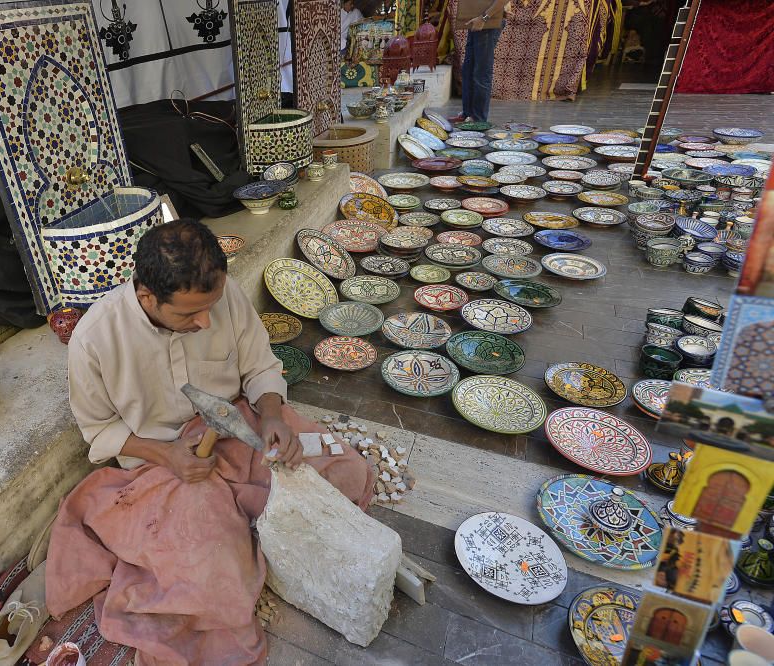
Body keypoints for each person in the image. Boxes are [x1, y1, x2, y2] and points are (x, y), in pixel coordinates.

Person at [45, 219, 374, 665]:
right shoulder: (94, 339)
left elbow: (259, 366)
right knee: (214, 576)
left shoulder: (224, 295)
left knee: (348, 471)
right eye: (188, 314)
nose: (205, 321)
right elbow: (99, 430)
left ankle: (252, 531)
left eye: (210, 307)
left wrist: (273, 414)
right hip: (162, 464)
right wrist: (167, 455)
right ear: (146, 296)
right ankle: (242, 543)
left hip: (236, 426)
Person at [450, 0, 510, 124]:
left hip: (487, 22)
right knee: (468, 70)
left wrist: (484, 18)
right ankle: (468, 113)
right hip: (479, 19)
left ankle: (478, 119)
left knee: (481, 73)